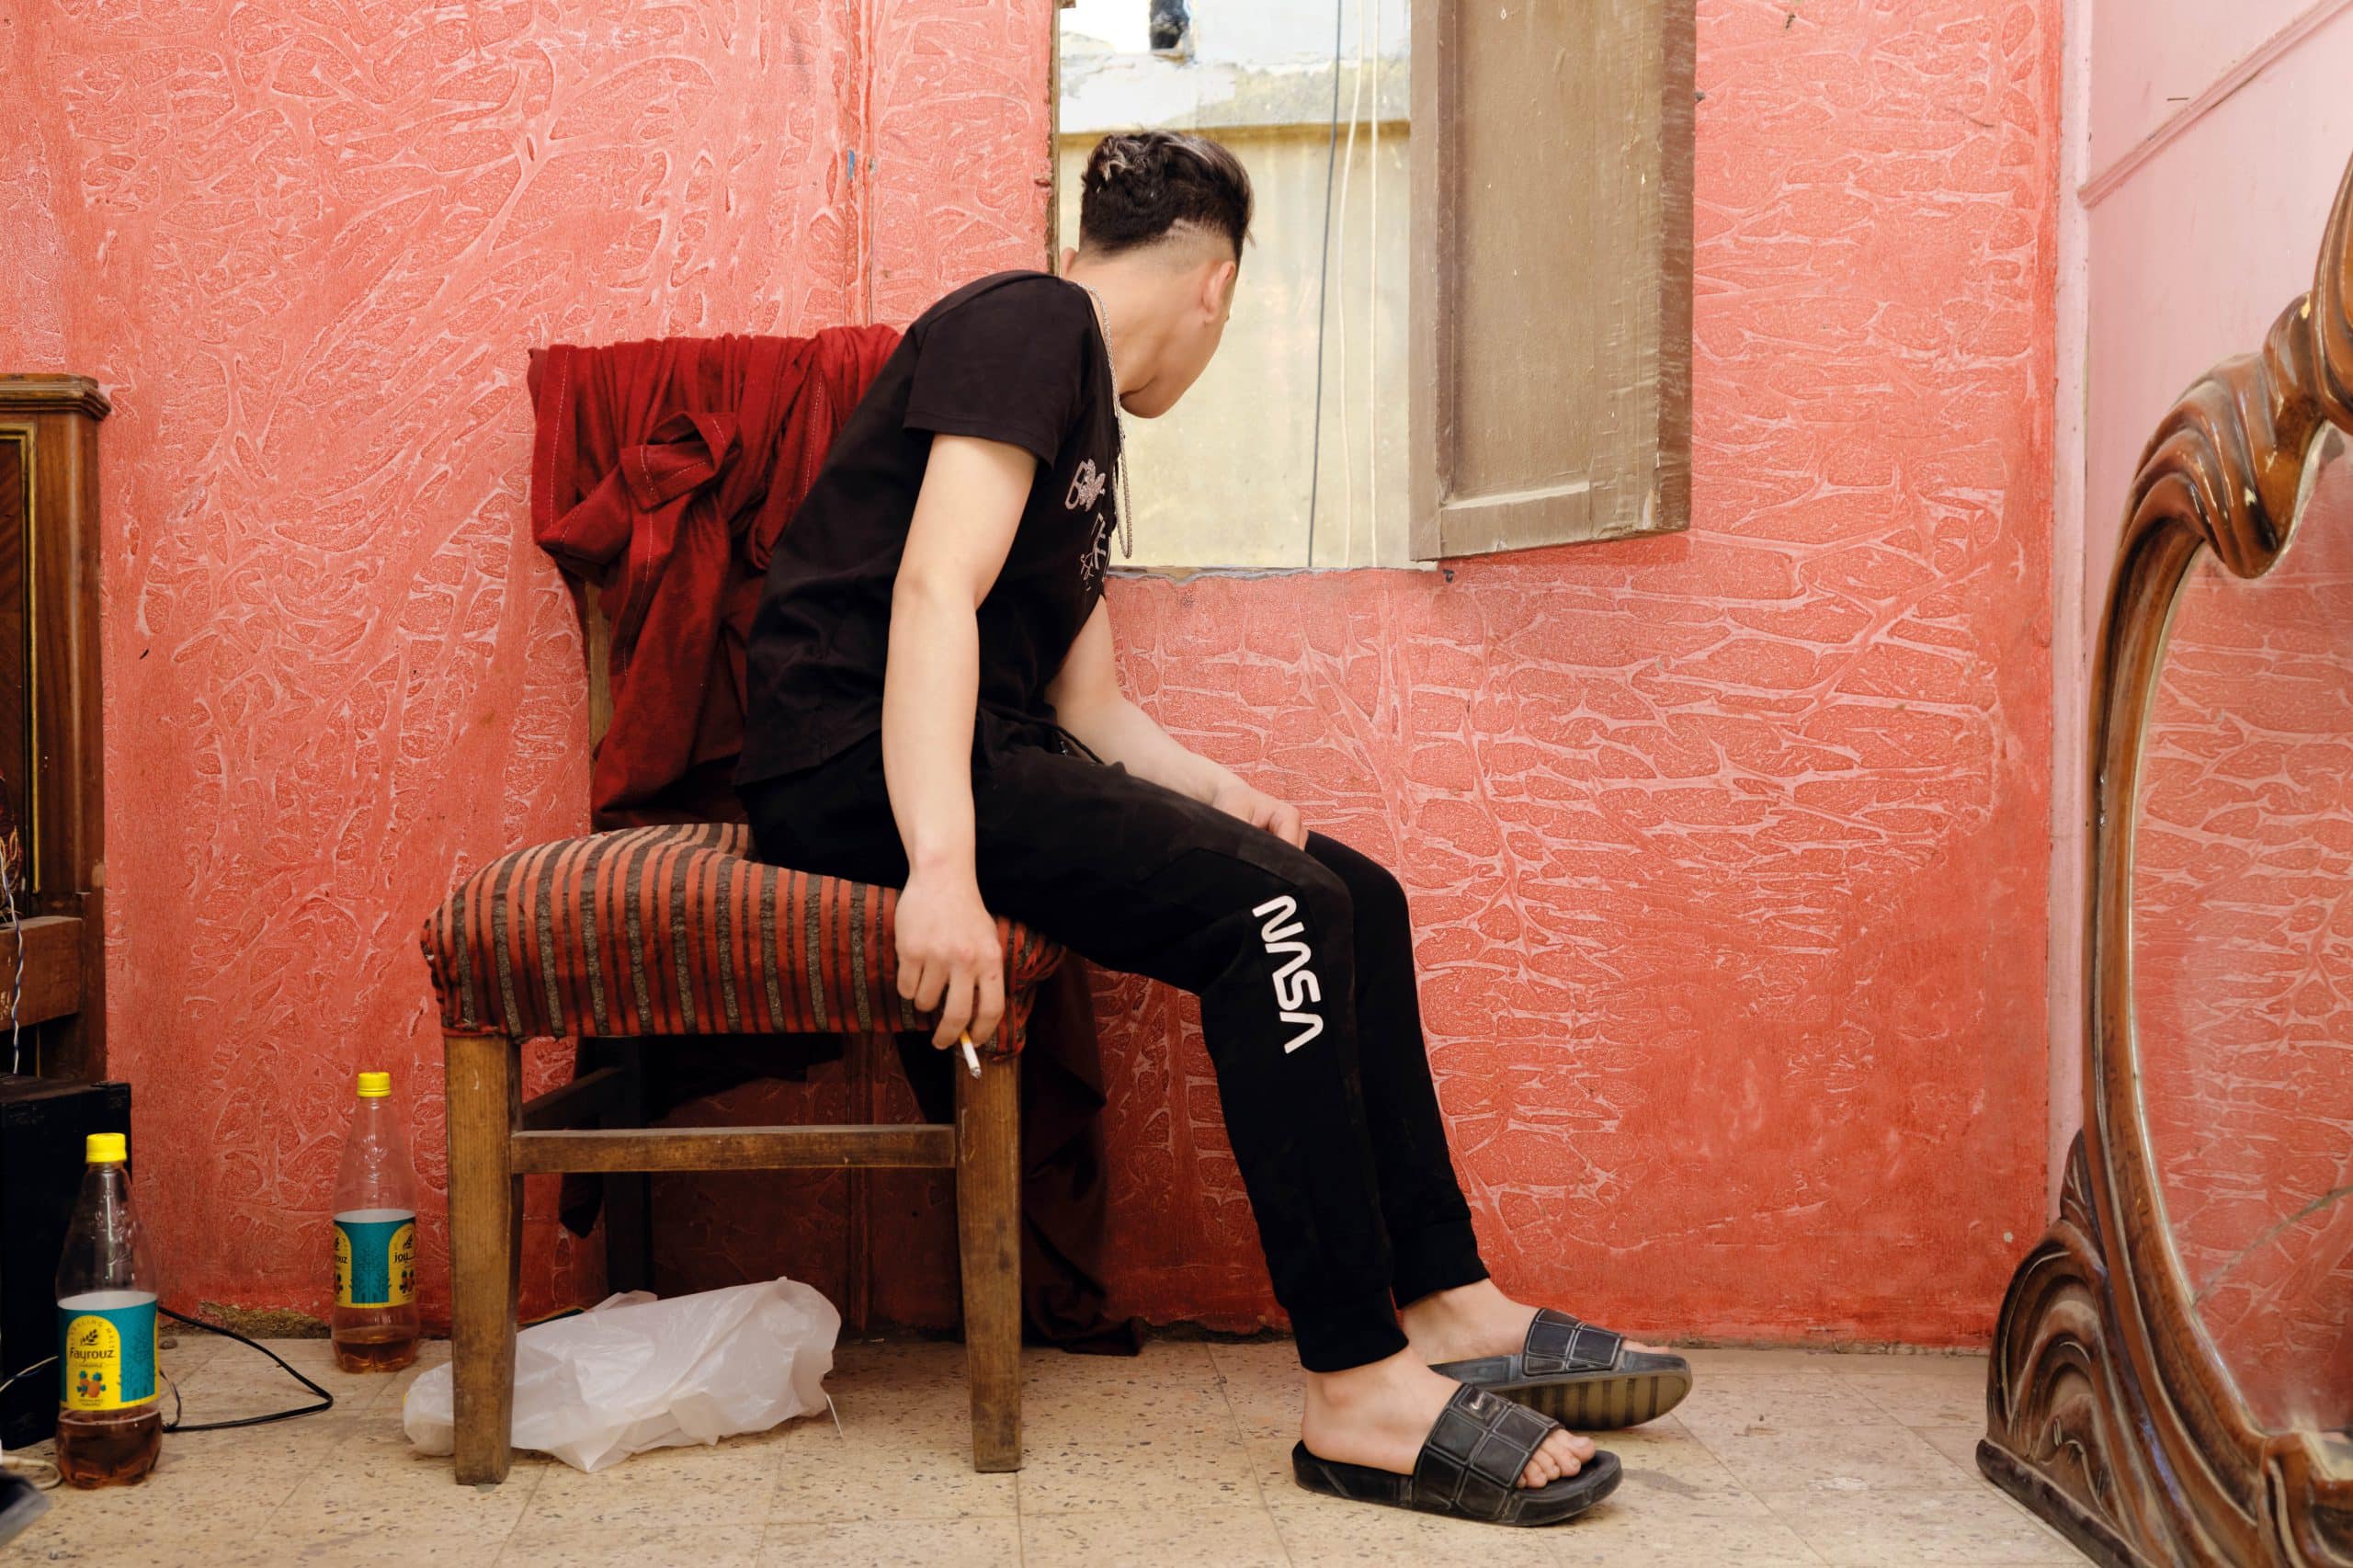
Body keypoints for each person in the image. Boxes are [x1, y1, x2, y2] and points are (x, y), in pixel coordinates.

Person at [735, 129, 1691, 1527]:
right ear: (1217, 284)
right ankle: (1355, 1382)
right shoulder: (1030, 321)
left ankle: (1446, 1298)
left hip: (979, 750)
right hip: (850, 758)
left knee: (1346, 888)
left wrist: (1222, 796)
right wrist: (938, 868)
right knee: (1276, 916)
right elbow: (932, 591)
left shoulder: (1082, 415)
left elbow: (1090, 705)